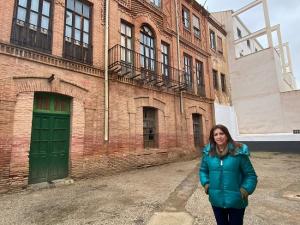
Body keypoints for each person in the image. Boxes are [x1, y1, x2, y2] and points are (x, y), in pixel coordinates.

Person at [199, 124, 257, 225]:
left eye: (221, 133)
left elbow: (250, 175)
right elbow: (203, 171)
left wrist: (245, 190)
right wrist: (207, 185)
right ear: (212, 137)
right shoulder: (208, 153)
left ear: (227, 135)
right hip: (216, 200)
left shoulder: (239, 152)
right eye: (215, 134)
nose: (218, 136)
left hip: (237, 200)